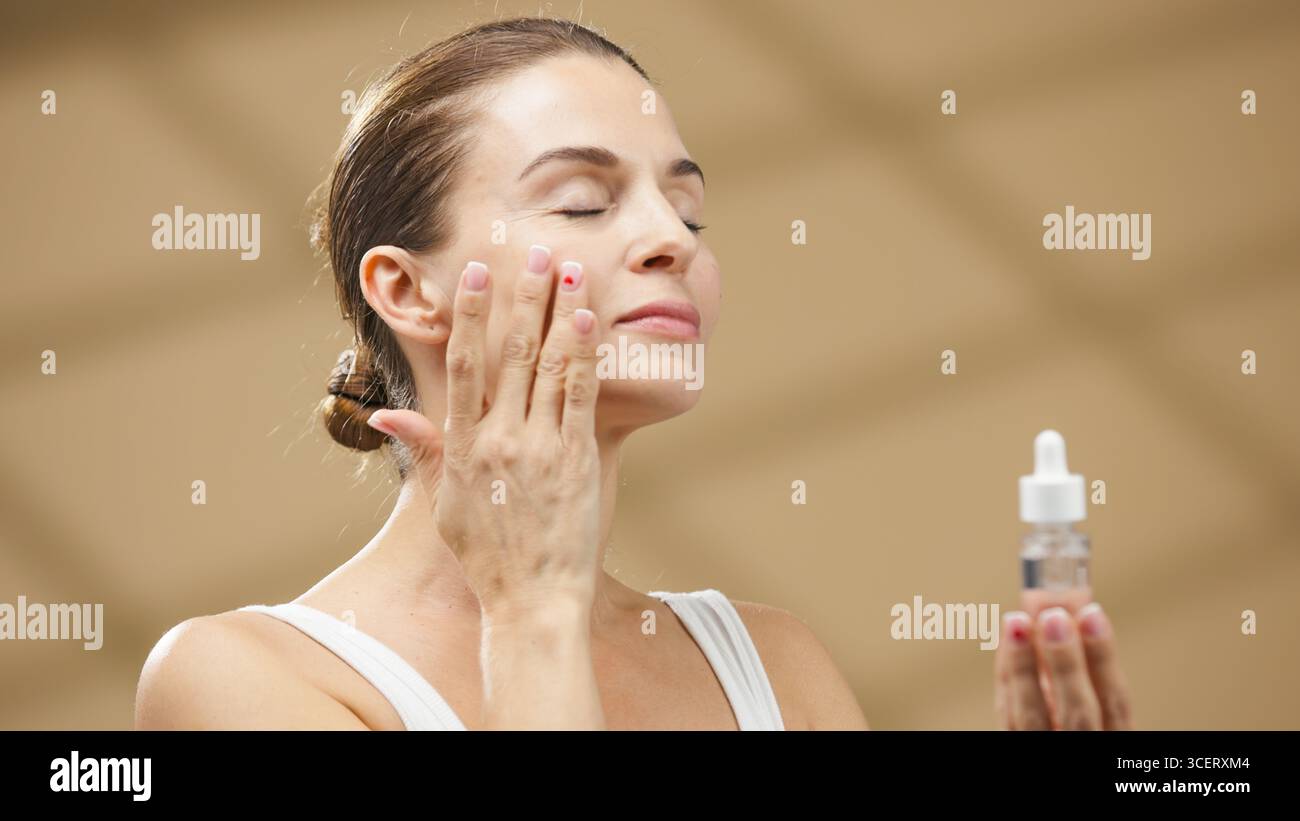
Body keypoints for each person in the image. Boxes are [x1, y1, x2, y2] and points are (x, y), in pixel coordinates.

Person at [134, 16, 1130, 731]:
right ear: (407, 289)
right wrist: (529, 613)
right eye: (579, 202)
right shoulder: (241, 678)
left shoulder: (774, 662)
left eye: (688, 212)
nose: (670, 239)